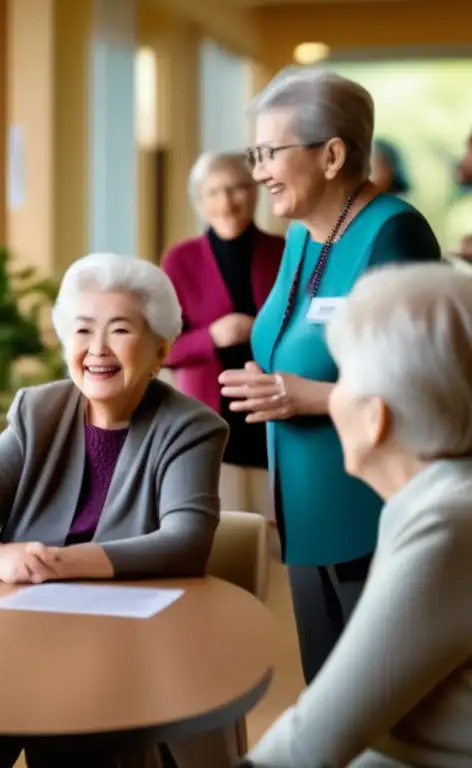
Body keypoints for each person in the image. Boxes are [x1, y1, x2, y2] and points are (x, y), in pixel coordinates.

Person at [0, 253, 232, 768]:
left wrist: (55, 564)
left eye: (119, 330)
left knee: (80, 731)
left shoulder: (191, 427)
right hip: (15, 639)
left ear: (160, 349)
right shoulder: (39, 412)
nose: (97, 349)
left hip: (123, 649)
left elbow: (186, 541)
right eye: (82, 331)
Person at [219, 67, 441, 685]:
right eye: (253, 153)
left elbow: (426, 387)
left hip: (368, 515)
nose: (257, 170)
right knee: (324, 684)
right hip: (304, 512)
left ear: (333, 155)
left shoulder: (392, 233)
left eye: (269, 153)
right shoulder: (302, 234)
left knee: (379, 705)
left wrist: (307, 396)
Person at [243, 263, 472, 768]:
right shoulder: (441, 499)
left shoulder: (447, 522)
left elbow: (313, 740)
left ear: (376, 416)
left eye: (341, 378)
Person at [162, 151, 283, 520]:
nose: (228, 201)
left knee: (278, 527)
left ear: (256, 191)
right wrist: (211, 337)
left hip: (273, 405)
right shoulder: (179, 259)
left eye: (239, 188)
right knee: (221, 525)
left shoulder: (283, 251)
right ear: (200, 201)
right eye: (215, 192)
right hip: (209, 412)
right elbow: (161, 349)